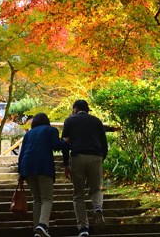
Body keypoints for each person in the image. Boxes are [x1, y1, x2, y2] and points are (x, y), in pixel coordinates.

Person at [62, 100, 118, 237]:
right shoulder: (96, 121)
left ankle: (83, 228)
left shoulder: (69, 121)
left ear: (75, 109)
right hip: (95, 156)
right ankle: (97, 207)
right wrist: (101, 158)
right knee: (96, 188)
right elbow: (104, 143)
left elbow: (65, 144)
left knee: (78, 194)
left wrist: (65, 164)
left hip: (77, 157)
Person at [18, 113, 70, 237]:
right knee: (47, 198)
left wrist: (20, 172)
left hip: (27, 168)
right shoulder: (51, 130)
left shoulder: (28, 133)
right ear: (46, 121)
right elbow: (56, 146)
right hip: (43, 166)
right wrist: (66, 142)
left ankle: (37, 230)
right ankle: (42, 225)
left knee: (37, 199)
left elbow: (22, 153)